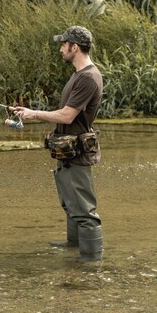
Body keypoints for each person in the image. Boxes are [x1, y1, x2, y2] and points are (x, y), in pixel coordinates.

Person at [9, 26, 104, 262]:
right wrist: (27, 113)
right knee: (71, 205)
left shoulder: (89, 78)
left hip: (78, 154)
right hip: (67, 152)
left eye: (63, 44)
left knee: (85, 212)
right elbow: (64, 116)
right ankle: (74, 249)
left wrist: (34, 114)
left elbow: (67, 116)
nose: (61, 49)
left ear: (75, 47)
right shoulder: (77, 76)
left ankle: (91, 265)